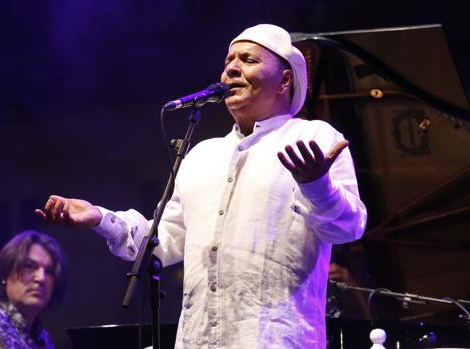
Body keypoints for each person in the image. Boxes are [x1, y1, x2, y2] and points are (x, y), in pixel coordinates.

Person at [37, 24, 367, 348]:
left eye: (248, 60)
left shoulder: (315, 138)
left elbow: (350, 227)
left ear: (284, 80)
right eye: (228, 61)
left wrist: (317, 185)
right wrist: (100, 218)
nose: (232, 69)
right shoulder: (202, 155)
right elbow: (161, 242)